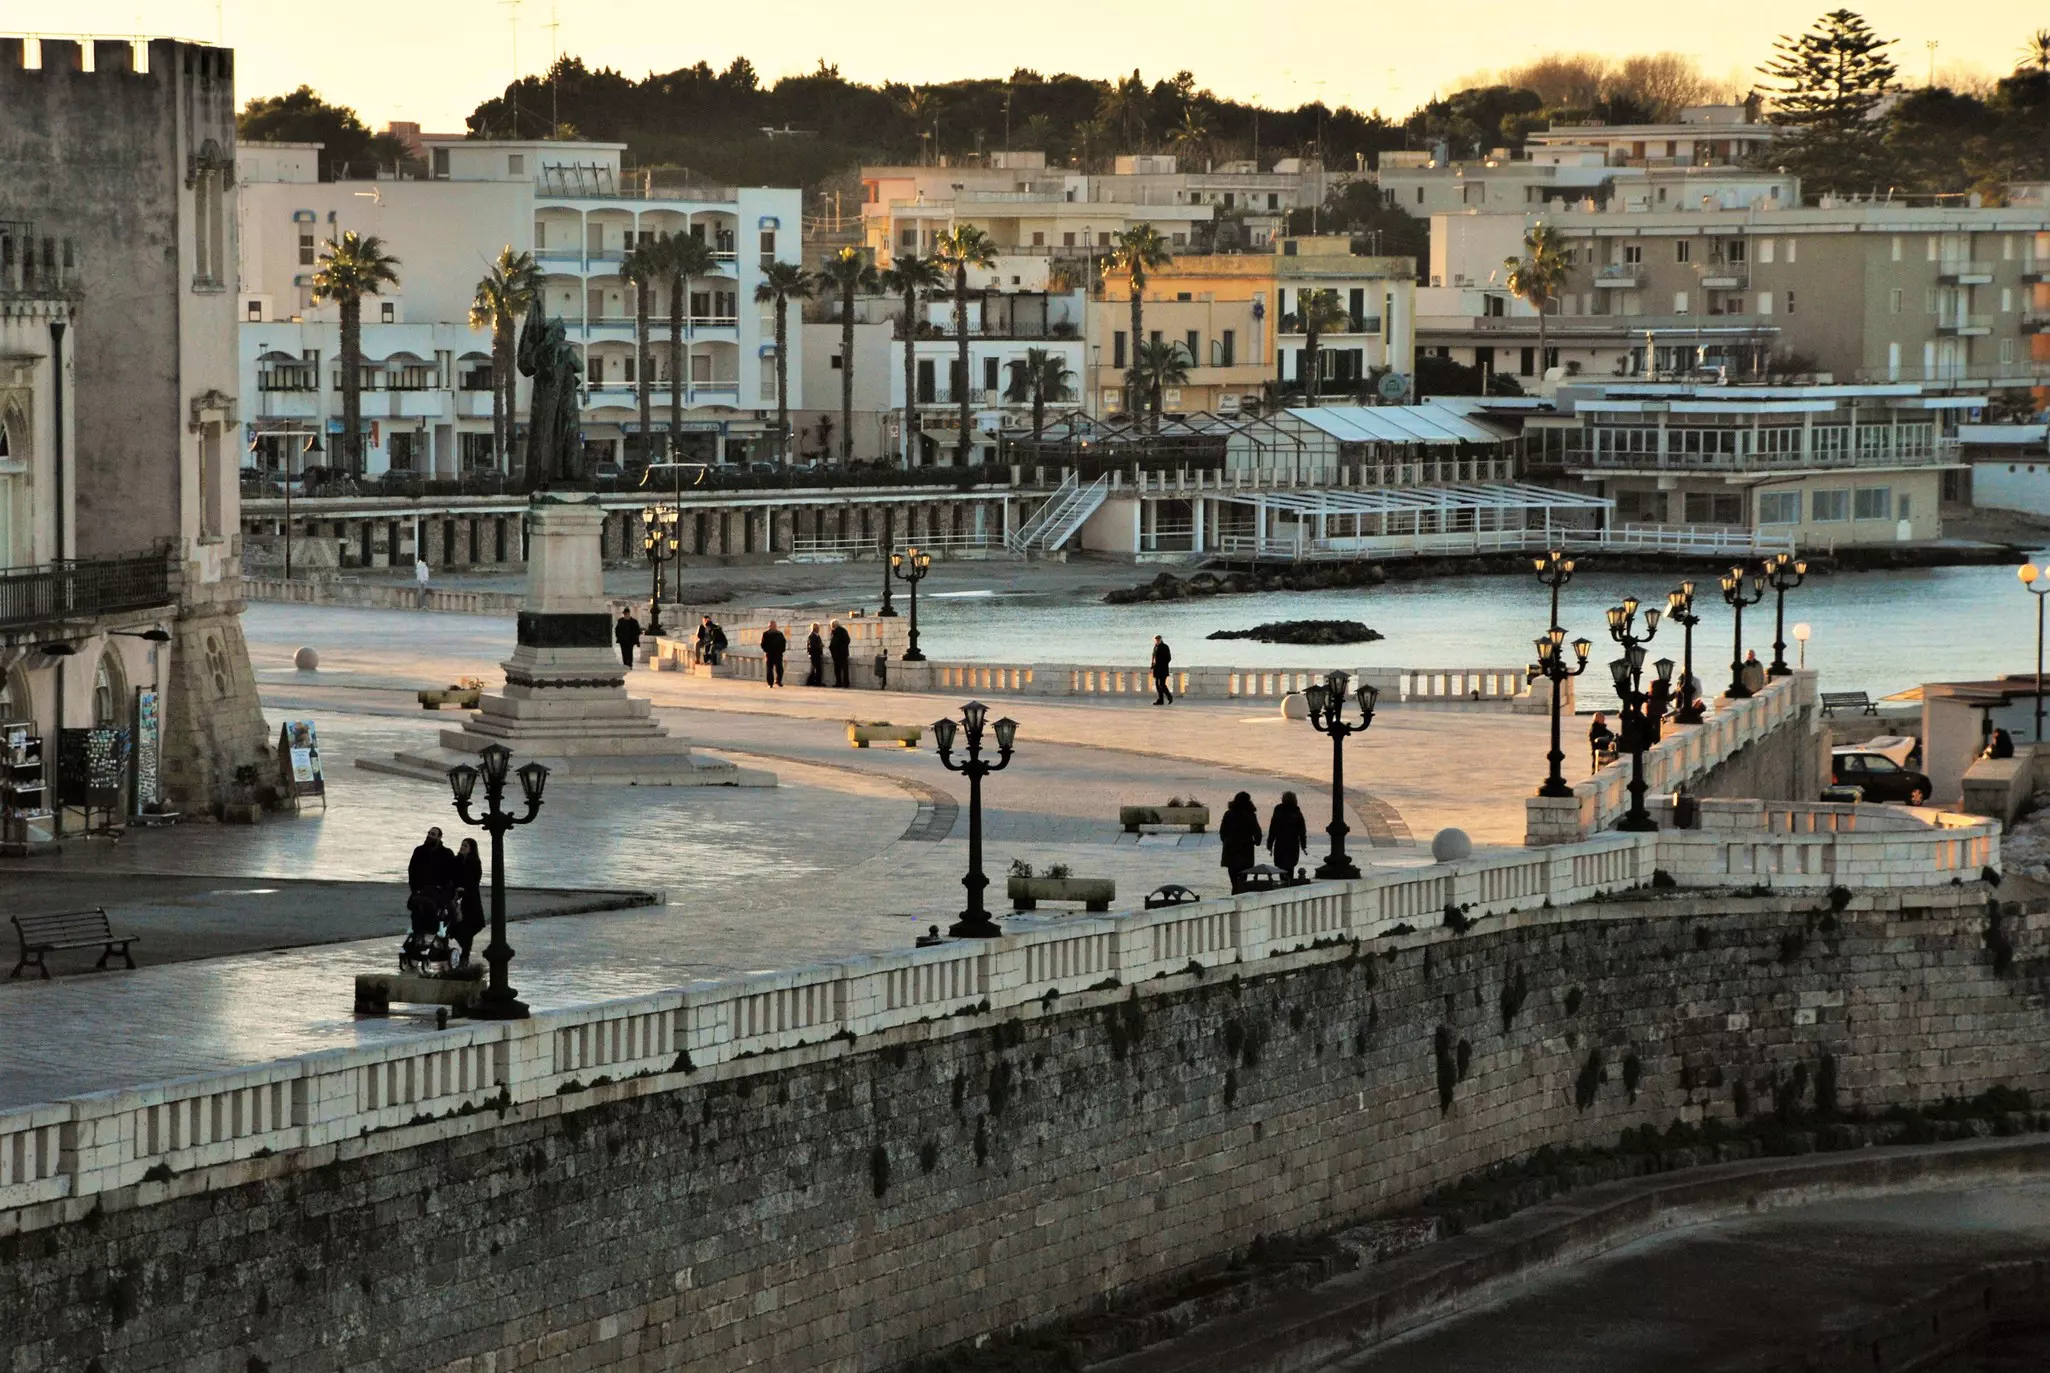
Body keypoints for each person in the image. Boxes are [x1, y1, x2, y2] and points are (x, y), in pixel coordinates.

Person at [406, 826, 457, 936]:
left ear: (439, 837)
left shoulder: (446, 853)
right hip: (421, 889)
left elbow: (452, 874)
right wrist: (414, 888)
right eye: (429, 833)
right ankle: (418, 932)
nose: (429, 836)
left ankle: (432, 930)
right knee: (416, 905)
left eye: (433, 834)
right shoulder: (419, 851)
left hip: (438, 890)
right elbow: (412, 871)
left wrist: (444, 889)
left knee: (430, 906)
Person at [1219, 792, 1263, 894]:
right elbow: (1257, 831)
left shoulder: (1228, 814)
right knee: (1243, 877)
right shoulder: (1250, 815)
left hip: (1231, 850)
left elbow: (1222, 832)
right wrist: (1256, 842)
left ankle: (1235, 892)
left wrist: (1226, 841)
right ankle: (1240, 892)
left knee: (1233, 878)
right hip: (1245, 850)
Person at [452, 837, 485, 963]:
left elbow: (474, 880)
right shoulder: (457, 860)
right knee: (457, 925)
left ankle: (465, 954)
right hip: (457, 897)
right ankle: (465, 951)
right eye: (462, 845)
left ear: (471, 849)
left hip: (471, 899)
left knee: (470, 926)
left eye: (465, 846)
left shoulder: (475, 862)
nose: (462, 847)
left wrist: (464, 888)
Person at [1266, 791, 1309, 879]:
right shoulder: (1296, 811)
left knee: (1281, 866)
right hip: (1293, 843)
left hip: (1280, 842)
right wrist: (1303, 845)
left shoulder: (1278, 810)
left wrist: (1270, 844)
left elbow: (1273, 828)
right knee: (1290, 866)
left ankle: (1283, 881)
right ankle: (1289, 882)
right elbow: (1302, 830)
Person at [761, 620, 788, 688]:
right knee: (769, 670)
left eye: (773, 625)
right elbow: (763, 644)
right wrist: (767, 650)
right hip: (769, 655)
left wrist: (782, 650)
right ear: (769, 626)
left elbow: (783, 643)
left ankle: (778, 681)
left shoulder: (779, 634)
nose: (772, 627)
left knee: (780, 669)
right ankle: (770, 683)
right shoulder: (766, 634)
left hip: (778, 654)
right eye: (771, 626)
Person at [1151, 635, 1175, 705]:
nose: (1157, 641)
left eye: (1158, 640)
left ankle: (1169, 697)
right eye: (1156, 640)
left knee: (1162, 684)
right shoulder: (1155, 647)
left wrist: (1162, 664)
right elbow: (1153, 657)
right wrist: (1152, 665)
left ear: (1161, 640)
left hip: (1163, 669)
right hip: (1156, 669)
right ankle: (1160, 700)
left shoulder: (1165, 647)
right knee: (1157, 685)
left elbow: (1169, 658)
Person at [829, 619, 852, 688]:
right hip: (843, 653)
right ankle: (846, 684)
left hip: (837, 654)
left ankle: (839, 683)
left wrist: (836, 649)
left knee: (837, 669)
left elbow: (834, 643)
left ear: (833, 625)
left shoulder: (835, 632)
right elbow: (848, 640)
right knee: (844, 669)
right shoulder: (844, 631)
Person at [805, 622, 826, 687]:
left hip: (817, 654)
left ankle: (810, 682)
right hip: (814, 654)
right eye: (818, 627)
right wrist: (820, 646)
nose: (819, 629)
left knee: (816, 668)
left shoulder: (817, 635)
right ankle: (817, 682)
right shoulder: (812, 636)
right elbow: (812, 645)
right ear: (815, 628)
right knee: (817, 669)